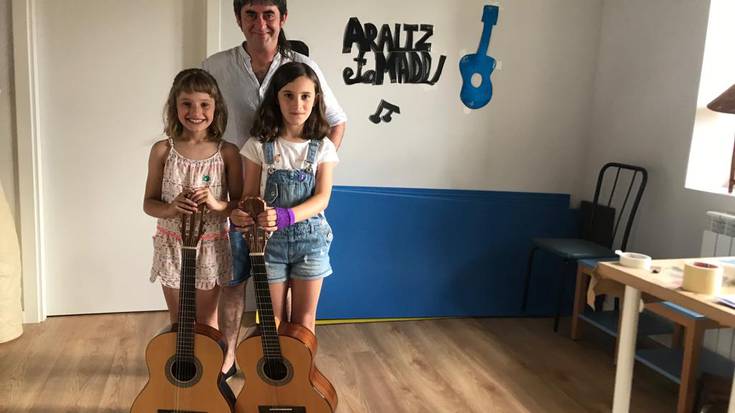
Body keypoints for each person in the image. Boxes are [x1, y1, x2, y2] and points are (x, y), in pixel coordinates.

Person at [202, 0, 347, 379]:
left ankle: (295, 377)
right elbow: (200, 119)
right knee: (233, 283)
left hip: (296, 222)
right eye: (250, 14)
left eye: (269, 14)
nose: (260, 23)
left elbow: (337, 122)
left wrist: (314, 163)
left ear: (282, 18)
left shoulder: (303, 66)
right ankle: (229, 358)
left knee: (299, 317)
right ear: (238, 18)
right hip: (239, 201)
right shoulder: (215, 67)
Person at [231, 61, 337, 338]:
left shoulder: (323, 147)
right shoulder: (258, 145)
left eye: (305, 96)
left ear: (316, 99)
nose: (297, 104)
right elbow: (249, 196)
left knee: (303, 323)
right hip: (268, 244)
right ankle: (272, 367)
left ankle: (300, 368)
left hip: (311, 243)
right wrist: (243, 213)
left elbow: (322, 198)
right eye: (288, 95)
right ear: (275, 98)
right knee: (272, 321)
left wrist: (287, 216)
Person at [143, 68, 243, 329]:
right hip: (172, 245)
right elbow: (148, 203)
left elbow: (239, 208)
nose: (195, 112)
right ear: (174, 106)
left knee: (206, 323)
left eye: (204, 104)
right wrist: (170, 208)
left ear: (216, 107)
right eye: (186, 104)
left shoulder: (228, 152)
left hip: (210, 246)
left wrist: (216, 204)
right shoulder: (162, 150)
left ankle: (210, 358)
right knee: (180, 322)